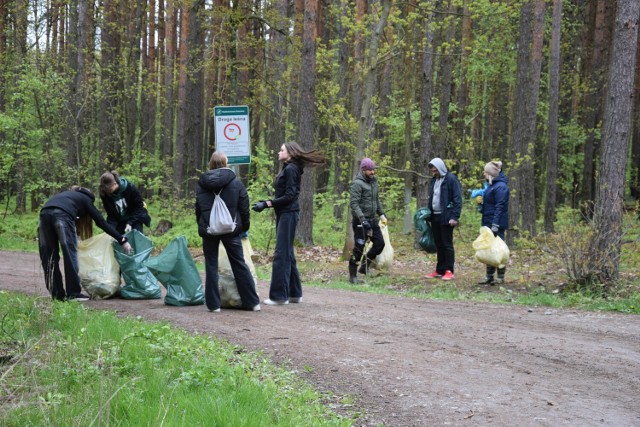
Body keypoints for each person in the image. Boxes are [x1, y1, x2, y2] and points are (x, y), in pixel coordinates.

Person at [252, 142, 325, 305]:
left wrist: (267, 203)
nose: (279, 152)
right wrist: (269, 203)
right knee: (288, 253)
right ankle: (294, 293)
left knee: (281, 255)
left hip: (288, 214)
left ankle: (279, 296)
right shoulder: (289, 168)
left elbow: (290, 196)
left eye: (282, 150)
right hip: (286, 214)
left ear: (290, 153)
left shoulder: (291, 169)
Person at [38, 186, 133, 301]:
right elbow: (101, 222)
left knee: (49, 257)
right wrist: (121, 239)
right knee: (70, 255)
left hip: (44, 214)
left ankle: (57, 294)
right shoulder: (86, 199)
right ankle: (73, 293)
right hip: (62, 216)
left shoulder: (67, 195)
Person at [196, 152, 261, 312]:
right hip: (231, 230)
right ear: (226, 163)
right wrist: (244, 226)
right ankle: (252, 303)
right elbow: (244, 207)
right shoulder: (235, 182)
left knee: (211, 265)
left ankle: (213, 305)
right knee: (239, 263)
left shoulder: (202, 184)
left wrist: (203, 225)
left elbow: (198, 209)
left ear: (210, 164)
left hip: (209, 230)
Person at [348, 157, 387, 283]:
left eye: (373, 169)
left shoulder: (374, 182)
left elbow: (376, 200)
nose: (372, 172)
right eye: (369, 170)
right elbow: (354, 204)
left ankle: (365, 266)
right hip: (360, 221)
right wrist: (362, 219)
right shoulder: (357, 184)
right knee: (359, 248)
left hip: (373, 220)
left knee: (380, 243)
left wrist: (381, 214)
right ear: (363, 170)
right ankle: (352, 276)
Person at [424, 157, 462, 281]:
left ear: (440, 168)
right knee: (438, 244)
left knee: (447, 244)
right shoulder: (433, 181)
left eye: (435, 171)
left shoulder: (451, 179)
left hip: (447, 217)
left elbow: (457, 199)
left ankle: (449, 270)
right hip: (435, 216)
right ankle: (439, 270)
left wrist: (454, 216)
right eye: (432, 171)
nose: (434, 173)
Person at [478, 161, 510, 285]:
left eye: (486, 172)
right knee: (488, 249)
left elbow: (500, 206)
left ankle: (500, 277)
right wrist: (481, 203)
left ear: (491, 174)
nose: (484, 174)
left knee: (499, 249)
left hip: (496, 223)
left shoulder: (501, 187)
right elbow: (491, 204)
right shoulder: (492, 185)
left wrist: (495, 225)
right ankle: (489, 276)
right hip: (488, 221)